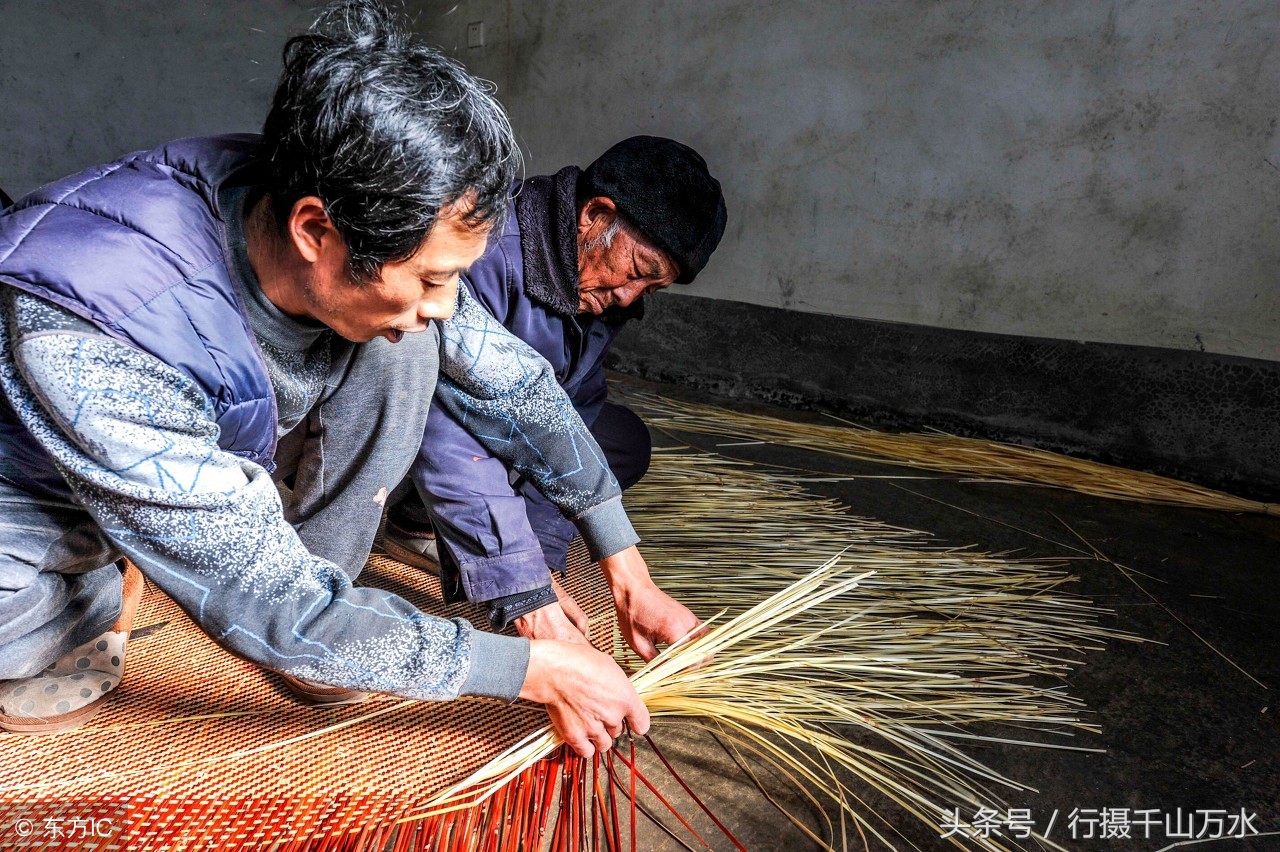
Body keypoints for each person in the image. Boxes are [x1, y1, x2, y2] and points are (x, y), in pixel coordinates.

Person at [0, 0, 647, 758]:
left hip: (182, 439)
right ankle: (107, 570)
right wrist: (529, 671)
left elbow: (511, 382)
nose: (448, 308)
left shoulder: (357, 208)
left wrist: (624, 562)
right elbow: (266, 604)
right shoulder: (100, 325)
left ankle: (247, 550)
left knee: (404, 344)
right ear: (315, 231)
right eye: (434, 279)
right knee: (21, 629)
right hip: (41, 474)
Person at [384, 137, 727, 657]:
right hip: (428, 422)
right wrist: (523, 592)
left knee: (620, 439)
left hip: (504, 425)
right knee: (431, 407)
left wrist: (550, 559)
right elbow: (443, 425)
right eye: (636, 271)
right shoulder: (486, 250)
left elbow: (569, 408)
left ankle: (477, 533)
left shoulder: (599, 284)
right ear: (594, 214)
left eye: (651, 290)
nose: (631, 298)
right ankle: (411, 520)